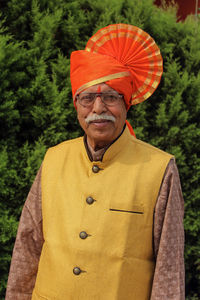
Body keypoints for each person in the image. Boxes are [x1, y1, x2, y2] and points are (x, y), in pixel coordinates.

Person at [6, 24, 185, 300]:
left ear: (127, 103)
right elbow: (27, 248)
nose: (98, 108)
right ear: (76, 104)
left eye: (111, 96)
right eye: (88, 98)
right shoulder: (54, 159)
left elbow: (168, 270)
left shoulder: (159, 169)